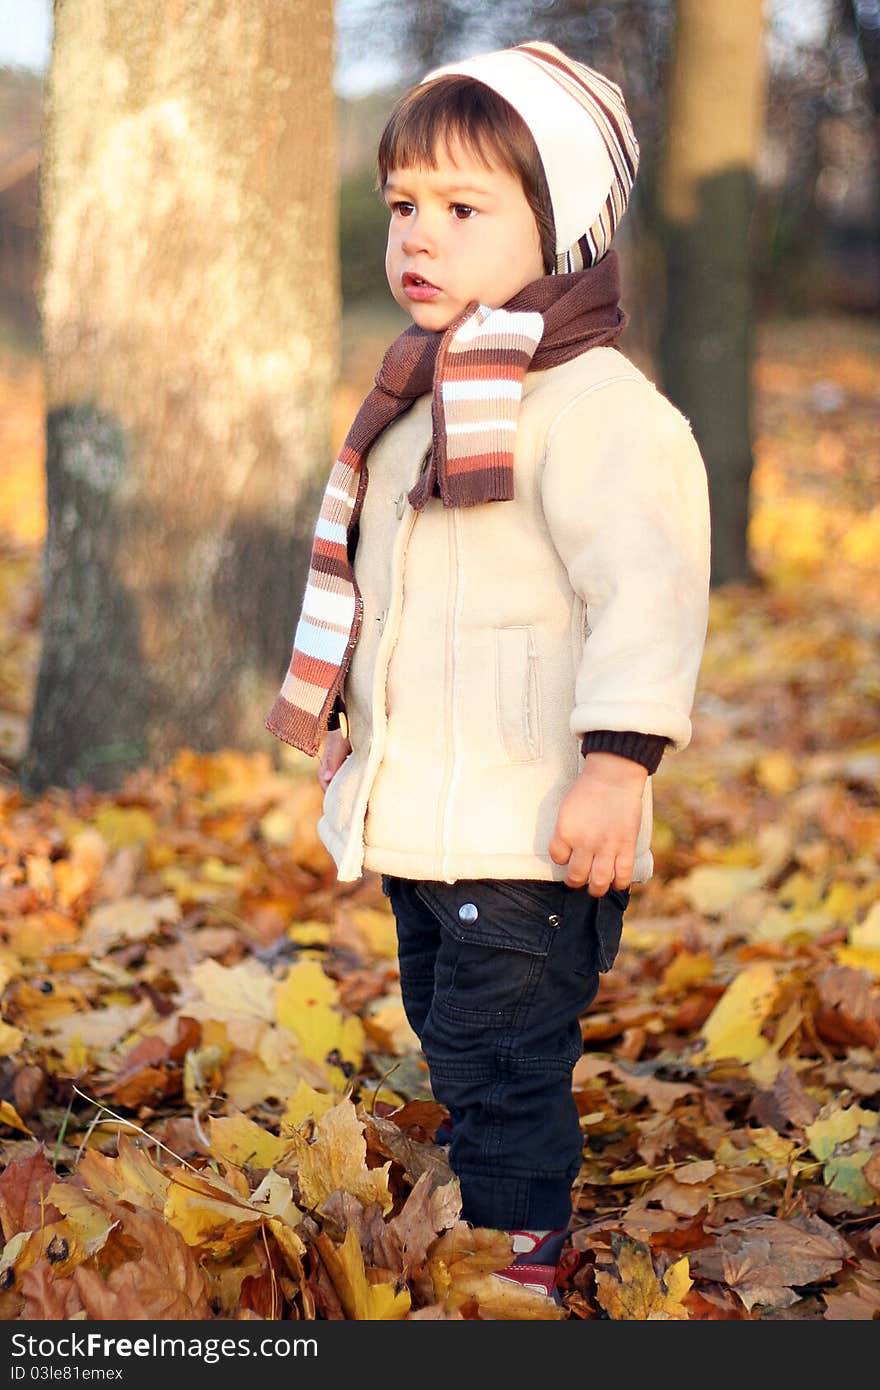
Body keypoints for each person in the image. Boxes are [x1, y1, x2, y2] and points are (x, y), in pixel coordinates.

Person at [265, 40, 711, 1303]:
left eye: (465, 210)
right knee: (450, 1031)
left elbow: (649, 589)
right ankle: (480, 1171)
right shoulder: (416, 398)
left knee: (506, 1052)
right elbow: (387, 594)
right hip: (426, 817)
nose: (421, 235)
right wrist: (350, 722)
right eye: (404, 205)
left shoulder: (595, 407)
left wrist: (618, 767)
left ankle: (520, 1248)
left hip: (530, 822)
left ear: (558, 228)